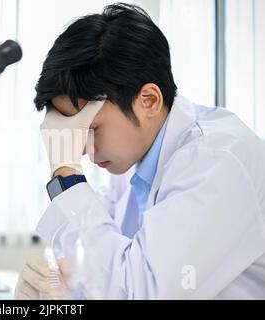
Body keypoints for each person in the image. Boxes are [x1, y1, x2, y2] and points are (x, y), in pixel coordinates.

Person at [15, 3, 265, 299]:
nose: (81, 150)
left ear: (148, 100)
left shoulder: (218, 160)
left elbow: (139, 292)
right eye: (71, 132)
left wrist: (66, 175)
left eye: (91, 128)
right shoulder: (132, 163)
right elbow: (94, 268)